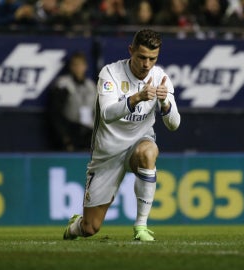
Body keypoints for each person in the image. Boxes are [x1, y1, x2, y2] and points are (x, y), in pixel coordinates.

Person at [63, 29, 181, 241]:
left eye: (152, 59)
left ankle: (141, 227)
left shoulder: (160, 77)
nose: (147, 64)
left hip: (138, 144)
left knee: (149, 152)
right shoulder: (110, 74)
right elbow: (107, 114)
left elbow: (174, 124)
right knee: (90, 228)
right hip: (107, 154)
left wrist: (165, 102)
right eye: (142, 57)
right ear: (131, 51)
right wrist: (137, 97)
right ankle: (76, 224)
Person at [48, 51, 96, 152]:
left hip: (89, 132)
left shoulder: (91, 86)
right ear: (71, 67)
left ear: (85, 66)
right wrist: (64, 137)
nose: (78, 68)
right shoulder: (64, 84)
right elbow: (55, 112)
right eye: (75, 65)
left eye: (80, 65)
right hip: (71, 130)